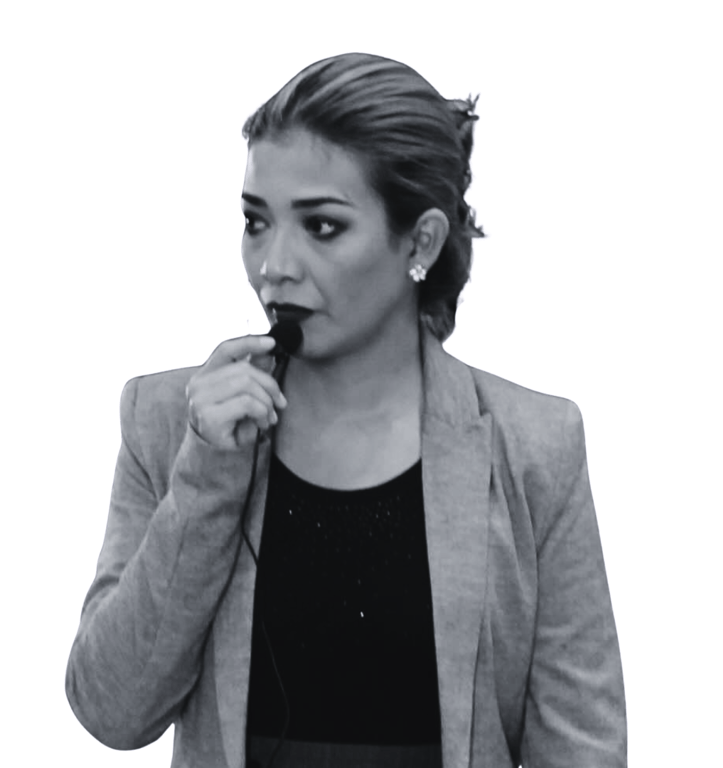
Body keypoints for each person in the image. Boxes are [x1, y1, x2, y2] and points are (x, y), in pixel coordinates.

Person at [65, 52, 627, 768]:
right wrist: (206, 477)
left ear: (420, 241)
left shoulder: (535, 446)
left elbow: (581, 745)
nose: (274, 265)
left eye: (322, 226)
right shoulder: (170, 422)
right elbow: (113, 712)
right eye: (256, 222)